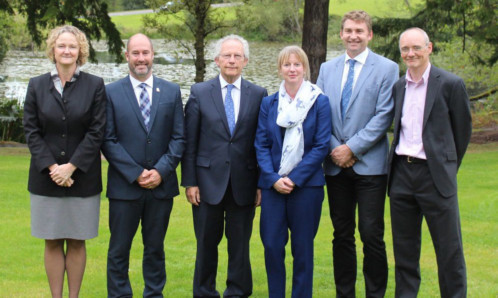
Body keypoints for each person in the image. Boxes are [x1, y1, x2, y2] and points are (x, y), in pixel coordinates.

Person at [316, 10, 399, 298]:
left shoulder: (387, 68)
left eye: (359, 31)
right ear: (341, 33)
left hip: (371, 167)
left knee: (371, 235)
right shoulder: (327, 69)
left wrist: (351, 148)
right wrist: (334, 149)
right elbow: (319, 113)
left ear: (369, 35)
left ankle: (375, 294)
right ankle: (345, 293)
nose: (353, 36)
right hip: (335, 167)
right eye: (349, 30)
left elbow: (383, 115)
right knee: (342, 235)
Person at [23, 25, 106, 298]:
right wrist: (53, 168)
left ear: (80, 50)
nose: (67, 51)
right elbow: (31, 131)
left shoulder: (94, 85)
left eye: (72, 46)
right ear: (53, 50)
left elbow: (97, 131)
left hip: (82, 177)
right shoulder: (36, 85)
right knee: (52, 240)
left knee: (77, 240)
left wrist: (71, 167)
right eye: (61, 46)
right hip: (45, 177)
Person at [387, 27, 471, 298]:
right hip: (401, 175)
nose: (410, 54)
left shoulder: (450, 84)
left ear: (429, 48)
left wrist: (445, 167)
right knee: (404, 251)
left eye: (416, 48)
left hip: (434, 176)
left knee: (449, 251)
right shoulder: (399, 86)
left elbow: (462, 133)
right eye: (405, 49)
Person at [181, 34, 267, 298]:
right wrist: (190, 181)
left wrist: (261, 183)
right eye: (227, 56)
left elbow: (263, 142)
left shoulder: (259, 94)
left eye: (237, 56)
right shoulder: (199, 92)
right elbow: (190, 140)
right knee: (206, 243)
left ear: (245, 61)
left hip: (245, 182)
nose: (231, 60)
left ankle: (238, 292)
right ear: (217, 60)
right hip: (207, 183)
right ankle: (204, 292)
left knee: (239, 245)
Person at [101, 33, 185, 297]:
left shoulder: (171, 91)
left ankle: (154, 293)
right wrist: (136, 173)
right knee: (118, 250)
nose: (141, 58)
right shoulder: (110, 92)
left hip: (160, 188)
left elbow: (179, 138)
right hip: (125, 188)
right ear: (127, 56)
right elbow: (108, 139)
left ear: (152, 55)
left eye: (145, 53)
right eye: (135, 53)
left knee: (155, 249)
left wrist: (160, 171)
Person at [254, 46, 331, 298]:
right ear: (279, 69)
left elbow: (321, 146)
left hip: (306, 188)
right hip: (273, 188)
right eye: (287, 64)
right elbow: (261, 144)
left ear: (305, 68)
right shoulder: (269, 103)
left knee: (303, 250)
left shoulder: (319, 101)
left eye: (297, 64)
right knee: (273, 247)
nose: (292, 69)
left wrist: (295, 179)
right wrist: (274, 179)